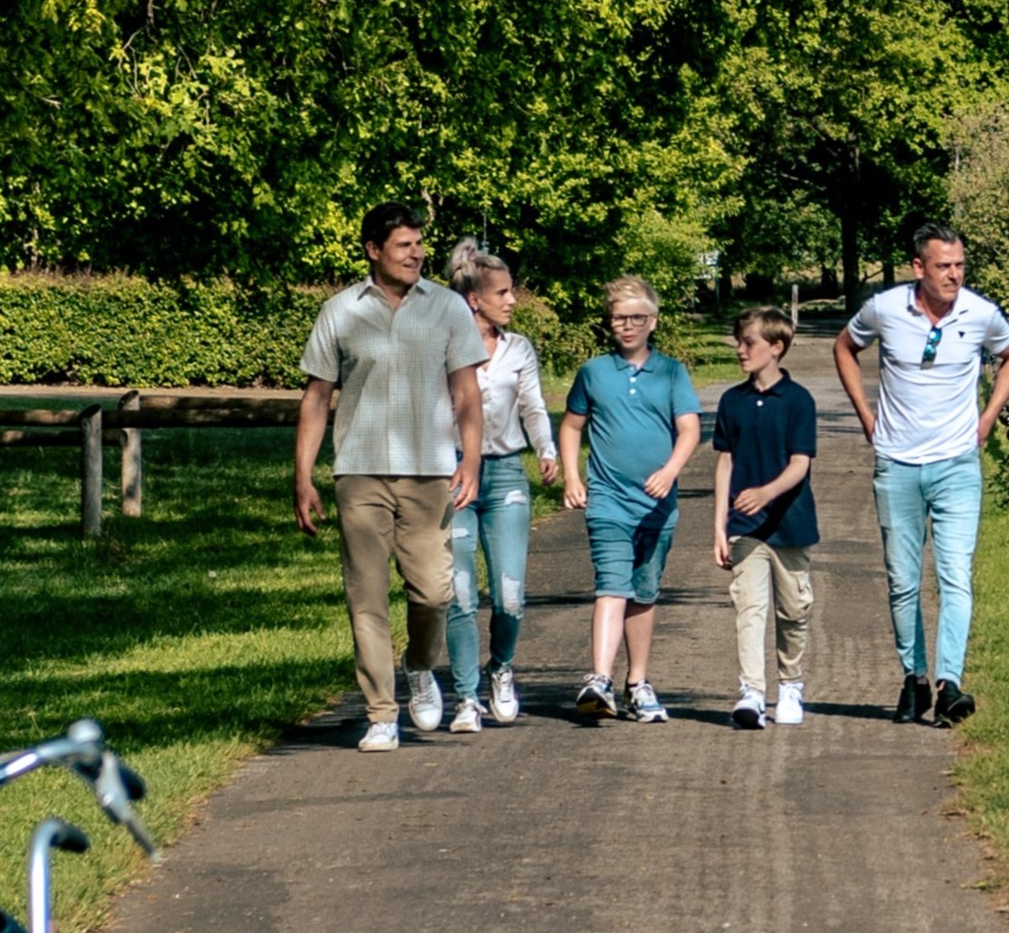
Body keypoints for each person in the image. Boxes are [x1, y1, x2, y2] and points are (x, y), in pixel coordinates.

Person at [294, 204, 485, 752]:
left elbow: (467, 393)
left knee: (433, 592)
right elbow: (316, 399)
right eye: (404, 245)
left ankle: (420, 665)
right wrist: (303, 478)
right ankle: (381, 713)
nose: (417, 253)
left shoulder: (448, 308)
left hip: (429, 474)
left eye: (419, 244)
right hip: (359, 471)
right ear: (374, 250)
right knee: (366, 598)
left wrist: (469, 460)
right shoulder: (339, 311)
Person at [833, 228, 1009, 727]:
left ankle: (950, 683)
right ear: (919, 268)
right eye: (944, 266)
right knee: (903, 580)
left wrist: (988, 416)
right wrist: (865, 415)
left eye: (960, 265)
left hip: (957, 464)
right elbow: (844, 348)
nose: (954, 275)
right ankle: (914, 678)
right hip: (897, 464)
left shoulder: (979, 313)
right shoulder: (885, 309)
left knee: (955, 575)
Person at [568, 275, 706, 724]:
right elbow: (572, 426)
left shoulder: (671, 372)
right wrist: (572, 477)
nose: (626, 326)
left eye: (635, 318)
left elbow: (689, 429)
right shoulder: (593, 372)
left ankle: (638, 683)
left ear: (653, 321)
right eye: (618, 318)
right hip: (607, 499)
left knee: (644, 592)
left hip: (657, 505)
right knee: (611, 584)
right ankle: (599, 679)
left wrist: (670, 472)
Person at [439, 242, 562, 730]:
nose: (512, 301)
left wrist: (547, 451)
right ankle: (466, 697)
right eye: (503, 293)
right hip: (452, 476)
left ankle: (502, 667)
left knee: (510, 593)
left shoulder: (519, 349)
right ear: (474, 299)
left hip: (507, 472)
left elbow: (532, 406)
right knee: (460, 591)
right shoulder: (443, 346)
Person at [709, 307, 821, 730]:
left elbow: (800, 464)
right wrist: (720, 525)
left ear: (776, 348)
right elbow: (725, 463)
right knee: (749, 608)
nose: (740, 350)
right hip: (745, 530)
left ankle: (790, 684)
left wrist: (767, 492)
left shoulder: (798, 400)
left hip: (790, 525)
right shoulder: (731, 401)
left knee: (793, 611)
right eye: (739, 342)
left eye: (749, 343)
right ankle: (752, 693)